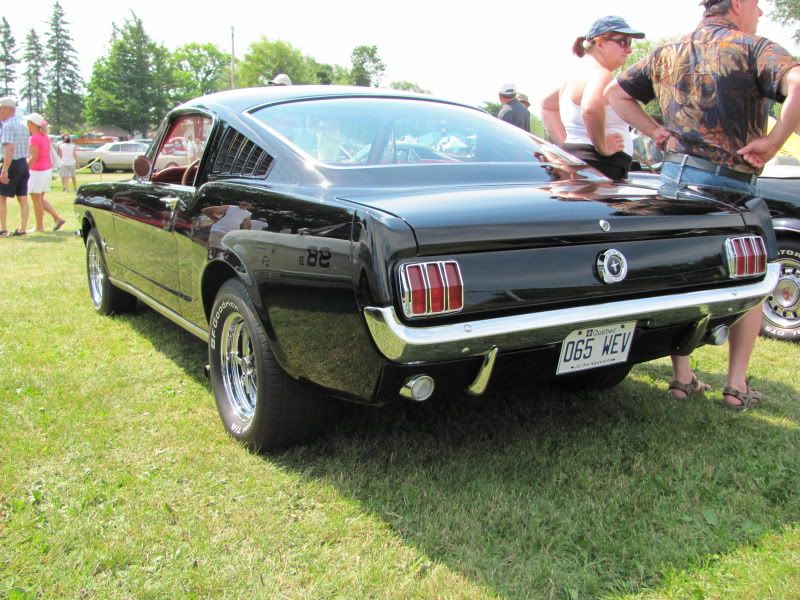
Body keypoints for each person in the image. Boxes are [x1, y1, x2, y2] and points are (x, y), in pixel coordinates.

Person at [606, 0, 800, 409]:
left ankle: (682, 379)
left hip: (674, 179)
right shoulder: (753, 47)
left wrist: (656, 131)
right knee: (756, 278)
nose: (761, 12)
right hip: (729, 184)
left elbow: (614, 94)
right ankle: (736, 386)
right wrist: (773, 142)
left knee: (680, 274)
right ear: (739, 3)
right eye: (758, 5)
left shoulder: (667, 51)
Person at [540, 16, 645, 180]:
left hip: (584, 164)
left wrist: (565, 147)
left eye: (629, 43)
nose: (629, 49)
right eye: (623, 42)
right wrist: (602, 147)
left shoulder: (574, 75)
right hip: (602, 165)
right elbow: (590, 109)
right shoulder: (601, 74)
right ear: (600, 43)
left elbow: (547, 106)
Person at [25, 113, 65, 232]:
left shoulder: (34, 138)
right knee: (40, 199)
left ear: (32, 124)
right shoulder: (45, 137)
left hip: (37, 171)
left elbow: (34, 157)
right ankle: (57, 218)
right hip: (46, 170)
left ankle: (39, 227)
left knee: (36, 199)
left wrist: (25, 170)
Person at [0, 96, 30, 237]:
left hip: (12, 162)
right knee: (23, 197)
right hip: (23, 163)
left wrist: (5, 170)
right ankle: (23, 228)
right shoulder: (23, 126)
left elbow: (9, 149)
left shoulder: (7, 126)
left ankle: (3, 228)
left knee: (1, 197)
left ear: (6, 109)